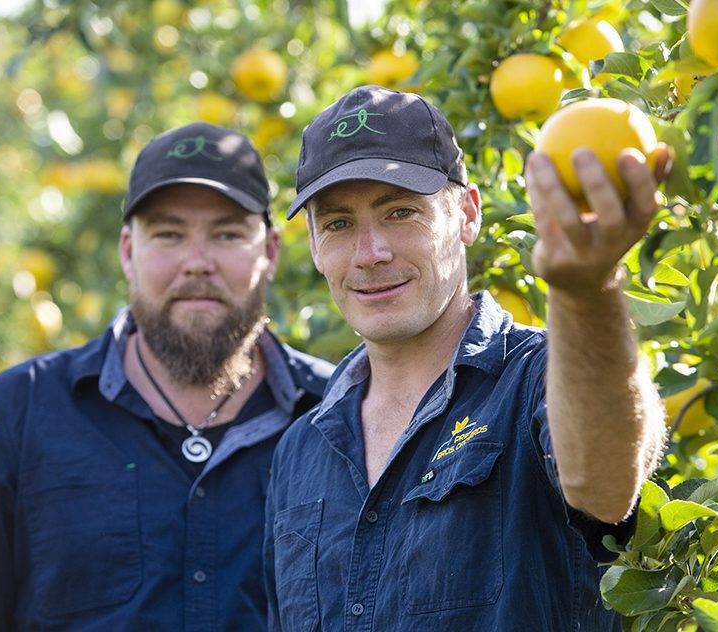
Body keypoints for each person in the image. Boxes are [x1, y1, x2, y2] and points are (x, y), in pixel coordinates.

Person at [0, 122, 333, 631]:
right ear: (128, 252)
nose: (197, 263)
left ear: (270, 253)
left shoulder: (339, 416)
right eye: (169, 234)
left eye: (227, 234)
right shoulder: (18, 413)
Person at [264, 85, 668, 630]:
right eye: (338, 224)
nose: (370, 253)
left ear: (467, 214)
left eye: (401, 212)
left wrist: (586, 293)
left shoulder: (543, 377)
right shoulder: (300, 449)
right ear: (314, 245)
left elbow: (607, 487)